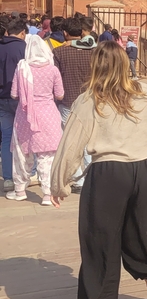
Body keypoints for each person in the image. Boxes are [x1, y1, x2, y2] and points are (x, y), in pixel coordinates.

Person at [50, 41, 147, 299]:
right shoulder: (146, 92)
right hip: (146, 167)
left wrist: (59, 183)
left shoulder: (91, 99)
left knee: (100, 237)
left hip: (110, 171)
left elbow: (71, 145)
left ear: (96, 65)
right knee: (139, 230)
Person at [7, 34, 64, 205]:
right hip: (48, 116)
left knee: (22, 154)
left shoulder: (22, 67)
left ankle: (20, 190)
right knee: (47, 156)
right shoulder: (53, 70)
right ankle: (47, 195)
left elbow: (14, 94)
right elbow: (60, 95)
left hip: (25, 116)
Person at [54, 17, 95, 192]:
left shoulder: (58, 52)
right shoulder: (93, 51)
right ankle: (91, 175)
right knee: (88, 139)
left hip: (67, 100)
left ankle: (78, 179)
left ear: (65, 33)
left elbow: (55, 80)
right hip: (89, 99)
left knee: (70, 139)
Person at [0, 19, 27, 191]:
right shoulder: (24, 48)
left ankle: (8, 178)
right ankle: (25, 173)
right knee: (24, 136)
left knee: (7, 137)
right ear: (23, 33)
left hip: (2, 98)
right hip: (21, 98)